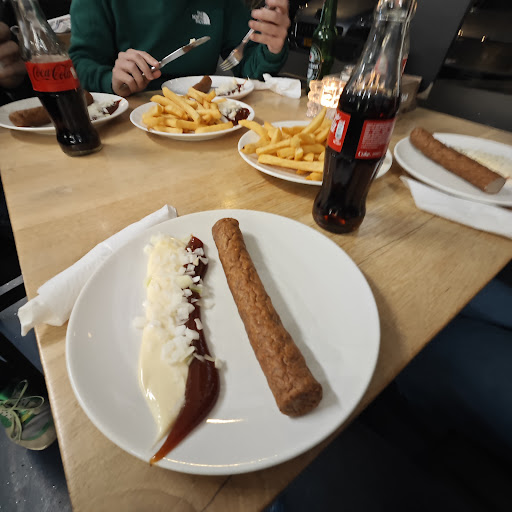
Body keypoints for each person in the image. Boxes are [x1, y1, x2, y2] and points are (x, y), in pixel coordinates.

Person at [68, 0, 291, 97]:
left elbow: (248, 66)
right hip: (122, 126)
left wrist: (271, 47)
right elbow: (80, 64)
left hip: (205, 124)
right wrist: (110, 80)